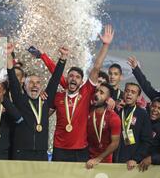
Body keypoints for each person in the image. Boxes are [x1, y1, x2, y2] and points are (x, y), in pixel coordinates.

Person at [51, 25, 114, 162]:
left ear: (81, 82)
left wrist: (105, 45)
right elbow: (42, 115)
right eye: (71, 76)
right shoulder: (58, 97)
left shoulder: (86, 92)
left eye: (77, 77)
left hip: (80, 149)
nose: (73, 78)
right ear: (67, 79)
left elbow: (96, 68)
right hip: (59, 148)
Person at [8, 45, 67, 161]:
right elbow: (12, 79)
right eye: (31, 83)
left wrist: (63, 58)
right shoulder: (20, 99)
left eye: (38, 83)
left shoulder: (45, 100)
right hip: (21, 151)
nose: (35, 85)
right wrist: (8, 55)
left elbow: (55, 79)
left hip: (41, 153)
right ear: (25, 85)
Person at [113, 83, 152, 170]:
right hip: (113, 161)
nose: (129, 94)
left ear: (138, 97)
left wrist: (135, 159)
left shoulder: (142, 114)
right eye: (127, 91)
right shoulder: (118, 111)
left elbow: (147, 141)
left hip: (131, 163)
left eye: (133, 92)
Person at [85, 82, 121, 169]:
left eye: (101, 93)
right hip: (86, 159)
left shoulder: (113, 117)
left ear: (108, 99)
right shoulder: (88, 111)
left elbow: (115, 143)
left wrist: (98, 159)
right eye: (97, 91)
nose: (96, 94)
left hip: (105, 162)